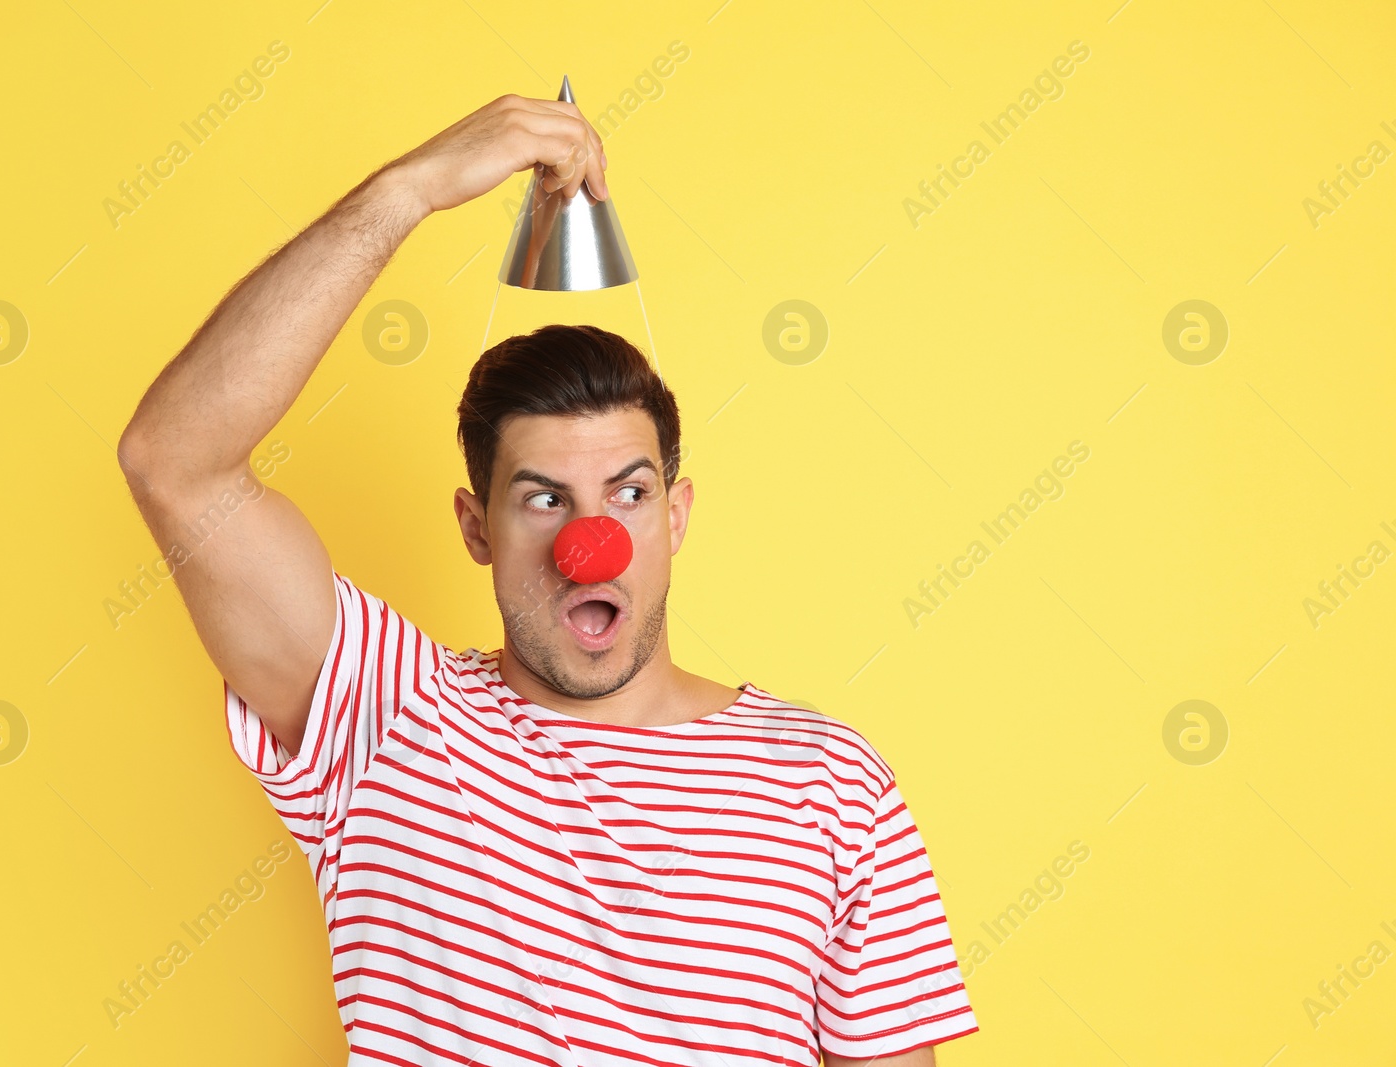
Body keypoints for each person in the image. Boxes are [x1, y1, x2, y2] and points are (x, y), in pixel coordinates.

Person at [118, 91, 977, 1066]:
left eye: (627, 490)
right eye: (542, 499)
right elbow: (175, 459)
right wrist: (409, 190)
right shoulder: (382, 717)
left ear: (676, 515)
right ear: (475, 527)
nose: (590, 542)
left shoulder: (829, 782)